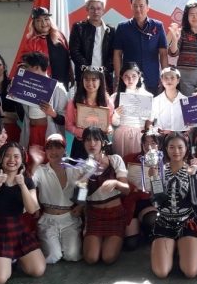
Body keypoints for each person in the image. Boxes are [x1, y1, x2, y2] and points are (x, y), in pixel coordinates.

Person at [0, 142, 45, 284]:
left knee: (38, 270)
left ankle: (12, 258)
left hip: (18, 230)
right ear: (0, 159)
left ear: (22, 159)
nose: (12, 160)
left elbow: (32, 209)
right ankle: (7, 261)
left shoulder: (27, 181)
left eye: (16, 156)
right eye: (7, 156)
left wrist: (22, 185)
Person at [150, 132, 197, 278]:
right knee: (161, 272)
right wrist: (154, 179)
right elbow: (157, 202)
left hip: (187, 223)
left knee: (190, 272)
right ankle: (172, 248)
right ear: (166, 149)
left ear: (186, 148)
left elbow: (195, 201)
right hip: (164, 223)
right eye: (172, 147)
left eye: (180, 147)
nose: (176, 151)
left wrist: (192, 176)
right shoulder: (160, 170)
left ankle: (182, 247)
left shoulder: (192, 170)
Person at [28, 134, 83, 264]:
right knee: (53, 256)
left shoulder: (75, 170)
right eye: (50, 148)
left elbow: (84, 187)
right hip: (48, 220)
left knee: (72, 255)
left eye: (58, 147)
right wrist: (36, 162)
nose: (54, 152)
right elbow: (29, 184)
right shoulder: (40, 170)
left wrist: (81, 206)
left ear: (64, 150)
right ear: (45, 151)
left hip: (69, 219)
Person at [80, 127, 130, 265]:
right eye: (88, 140)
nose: (92, 143)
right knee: (91, 258)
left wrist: (116, 183)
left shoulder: (115, 160)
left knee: (108, 257)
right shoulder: (82, 166)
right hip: (94, 215)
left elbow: (126, 190)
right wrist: (85, 176)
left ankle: (116, 238)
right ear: (83, 143)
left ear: (103, 142)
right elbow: (79, 198)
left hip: (115, 214)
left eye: (96, 139)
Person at [112, 0, 168, 94]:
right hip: (129, 80)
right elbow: (117, 54)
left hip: (152, 78)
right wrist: (118, 76)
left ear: (148, 7)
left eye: (141, 6)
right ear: (131, 7)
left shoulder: (158, 26)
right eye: (135, 6)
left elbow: (163, 54)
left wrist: (165, 75)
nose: (138, 9)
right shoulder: (122, 27)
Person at [13, 6, 72, 89]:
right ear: (33, 24)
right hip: (44, 84)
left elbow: (68, 57)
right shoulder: (31, 42)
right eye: (38, 20)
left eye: (46, 19)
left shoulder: (60, 36)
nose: (43, 23)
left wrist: (71, 75)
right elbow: (22, 64)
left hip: (63, 82)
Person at [18, 52, 68, 149]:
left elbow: (65, 120)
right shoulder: (26, 85)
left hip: (50, 133)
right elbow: (22, 115)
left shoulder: (58, 88)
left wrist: (53, 113)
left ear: (36, 67)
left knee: (50, 157)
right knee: (30, 158)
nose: (25, 70)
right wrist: (15, 94)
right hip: (30, 131)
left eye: (27, 67)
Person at [167, 0, 197, 96]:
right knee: (189, 103)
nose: (195, 17)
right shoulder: (182, 32)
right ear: (186, 17)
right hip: (186, 76)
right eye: (192, 15)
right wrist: (174, 40)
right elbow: (173, 53)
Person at [69, 0, 116, 92]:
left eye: (99, 8)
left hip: (105, 77)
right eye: (92, 8)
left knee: (105, 101)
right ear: (87, 9)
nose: (96, 11)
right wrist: (88, 69)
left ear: (103, 10)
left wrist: (105, 70)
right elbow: (74, 51)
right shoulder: (78, 27)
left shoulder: (111, 30)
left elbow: (113, 54)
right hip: (84, 76)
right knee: (83, 101)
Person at [65, 66, 113, 160]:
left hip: (100, 144)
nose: (90, 83)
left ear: (100, 81)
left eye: (94, 80)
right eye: (86, 79)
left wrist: (109, 128)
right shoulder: (73, 102)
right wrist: (84, 133)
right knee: (79, 169)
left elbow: (110, 122)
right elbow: (68, 125)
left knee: (102, 168)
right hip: (81, 144)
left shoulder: (107, 102)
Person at [111, 62, 152, 158]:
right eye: (126, 76)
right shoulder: (116, 97)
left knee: (136, 162)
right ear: (121, 77)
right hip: (121, 135)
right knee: (121, 161)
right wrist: (116, 114)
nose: (130, 80)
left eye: (134, 76)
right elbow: (115, 123)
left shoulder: (146, 96)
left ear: (139, 76)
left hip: (139, 135)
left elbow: (149, 120)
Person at [151, 66, 188, 134]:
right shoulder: (155, 101)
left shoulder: (186, 101)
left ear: (178, 80)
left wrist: (186, 135)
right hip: (161, 136)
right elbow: (150, 121)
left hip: (180, 137)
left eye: (172, 78)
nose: (169, 81)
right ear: (161, 80)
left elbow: (191, 124)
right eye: (166, 78)